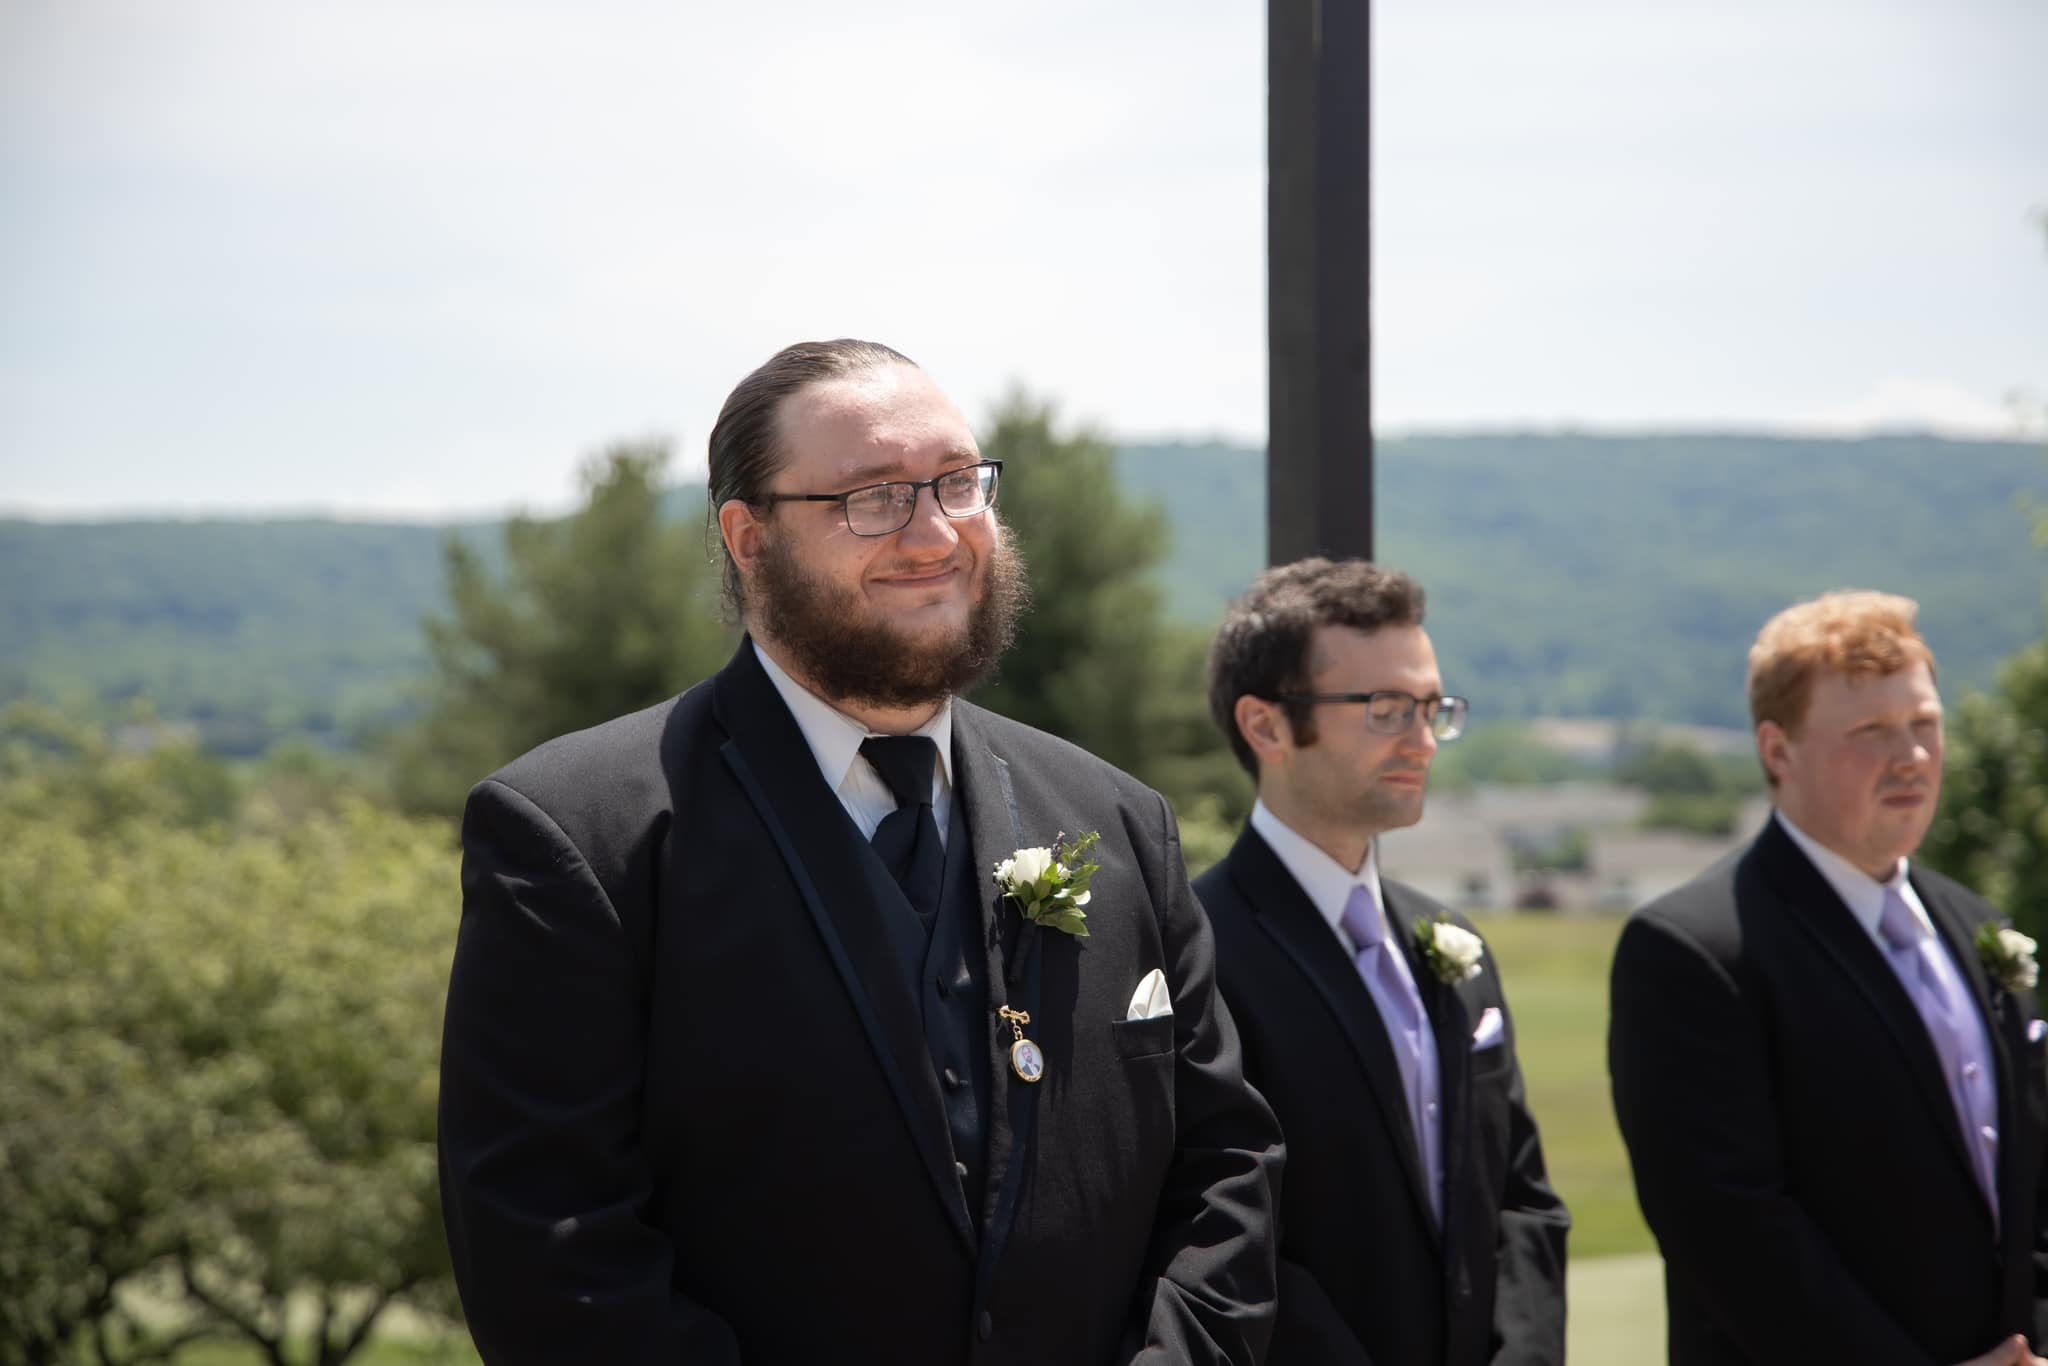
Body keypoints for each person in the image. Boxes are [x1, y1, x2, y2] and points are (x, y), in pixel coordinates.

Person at [436, 338, 1283, 1365]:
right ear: (748, 538)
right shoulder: (577, 834)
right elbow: (548, 1249)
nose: (933, 533)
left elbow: (1225, 1170)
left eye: (958, 485)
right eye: (871, 496)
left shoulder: (1116, 819)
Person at [1609, 590, 2048, 1366]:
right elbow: (1731, 1230)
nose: (1910, 754)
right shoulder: (1695, 950)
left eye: (1924, 725)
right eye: (1871, 731)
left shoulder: (1982, 928)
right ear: (1778, 752)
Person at [1194, 558, 1569, 1365]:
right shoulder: (1196, 947)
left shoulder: (1451, 942)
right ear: (1265, 726)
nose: (1424, 742)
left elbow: (1520, 1198)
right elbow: (1211, 1228)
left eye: (1434, 709)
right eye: (1388, 709)